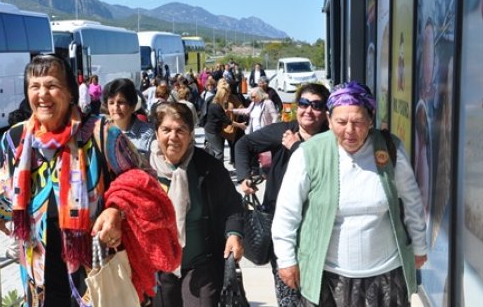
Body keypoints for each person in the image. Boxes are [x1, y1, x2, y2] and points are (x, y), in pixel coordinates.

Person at [0, 54, 179, 306]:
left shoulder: (101, 133)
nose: (42, 94)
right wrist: (0, 218)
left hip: (94, 269)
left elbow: (145, 180)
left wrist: (115, 210)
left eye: (52, 85)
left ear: (70, 93)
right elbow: (5, 193)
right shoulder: (15, 140)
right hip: (39, 273)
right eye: (35, 86)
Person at [272, 82, 427, 306]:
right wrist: (286, 260)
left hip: (386, 275)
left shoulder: (389, 148)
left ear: (371, 119)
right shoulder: (309, 154)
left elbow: (412, 202)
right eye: (341, 122)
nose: (349, 130)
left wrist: (420, 247)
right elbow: (287, 212)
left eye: (358, 122)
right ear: (328, 118)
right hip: (327, 276)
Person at [234, 83, 330, 306]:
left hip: (319, 228)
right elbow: (243, 144)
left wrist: (297, 148)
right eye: (304, 104)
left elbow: (321, 174)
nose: (308, 110)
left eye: (316, 105)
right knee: (288, 294)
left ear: (326, 112)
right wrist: (244, 176)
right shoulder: (283, 131)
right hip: (283, 226)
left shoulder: (330, 139)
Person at [149, 101, 244, 307]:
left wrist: (234, 234)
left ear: (191, 134)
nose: (173, 137)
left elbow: (233, 205)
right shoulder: (144, 170)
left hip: (201, 265)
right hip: (157, 268)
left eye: (180, 130)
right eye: (166, 130)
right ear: (156, 133)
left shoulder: (208, 167)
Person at [103, 78, 155, 157]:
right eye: (111, 103)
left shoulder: (148, 135)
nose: (116, 107)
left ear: (132, 106)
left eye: (121, 102)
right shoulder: (102, 132)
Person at [203, 79, 245, 162]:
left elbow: (241, 108)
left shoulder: (217, 102)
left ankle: (215, 170)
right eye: (226, 95)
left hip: (219, 129)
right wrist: (240, 125)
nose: (227, 97)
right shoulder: (216, 105)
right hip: (214, 130)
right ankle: (218, 171)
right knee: (219, 152)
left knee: (215, 151)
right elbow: (227, 120)